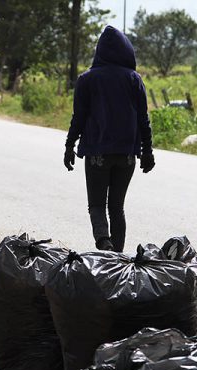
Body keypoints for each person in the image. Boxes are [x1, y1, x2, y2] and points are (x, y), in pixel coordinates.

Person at [64, 25, 154, 253]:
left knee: (96, 205)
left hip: (97, 155)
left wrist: (69, 146)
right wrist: (147, 151)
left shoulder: (87, 80)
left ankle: (103, 243)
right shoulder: (134, 80)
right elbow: (144, 119)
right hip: (126, 156)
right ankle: (118, 258)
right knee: (117, 207)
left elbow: (79, 117)